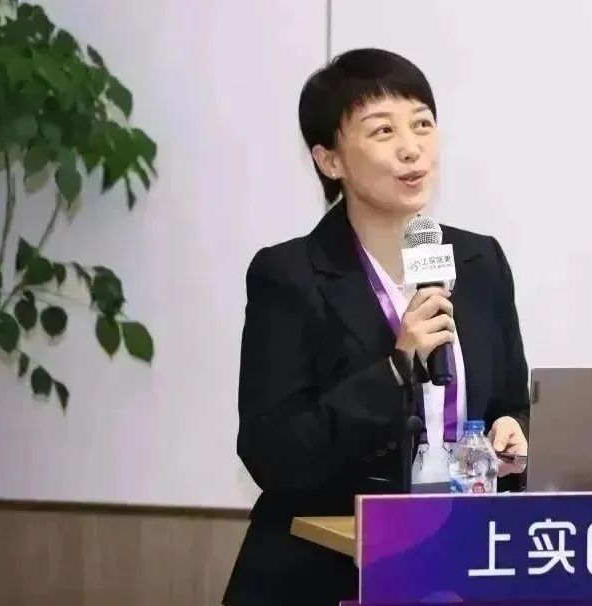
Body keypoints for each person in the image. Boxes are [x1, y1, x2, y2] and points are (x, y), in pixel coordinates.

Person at [221, 48, 531, 606]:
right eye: (383, 130)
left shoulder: (480, 261)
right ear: (329, 160)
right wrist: (396, 367)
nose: (411, 147)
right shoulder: (290, 276)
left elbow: (511, 400)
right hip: (328, 572)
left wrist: (512, 433)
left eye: (422, 124)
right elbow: (272, 452)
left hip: (460, 560)